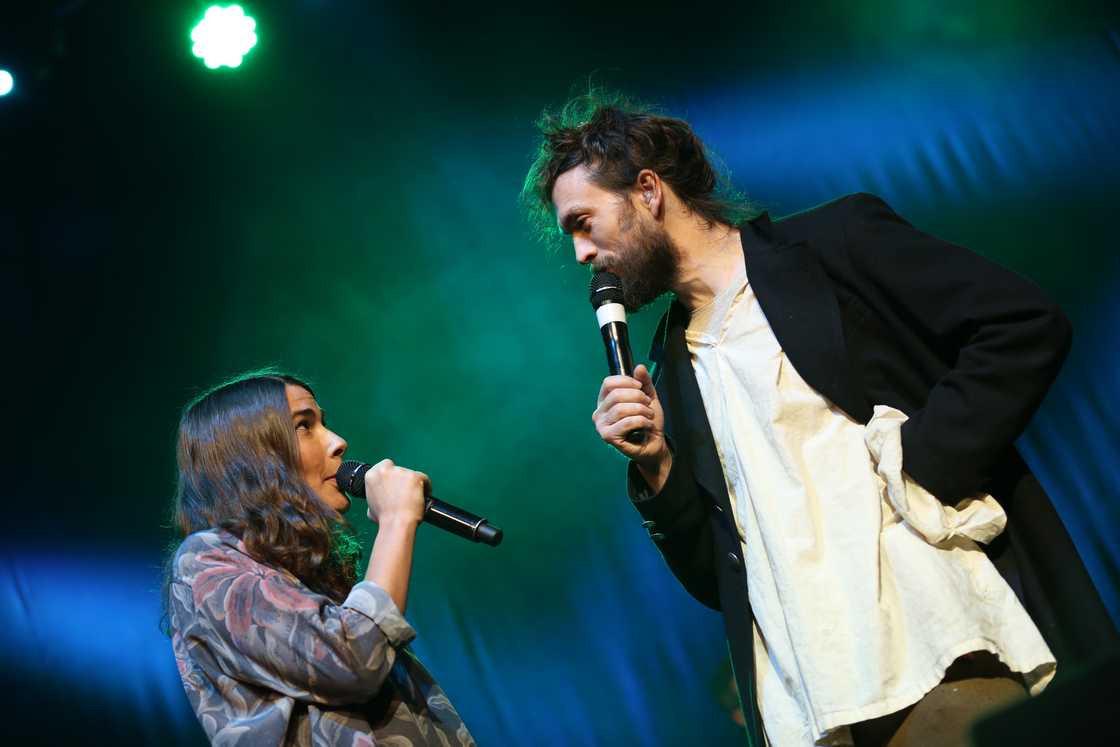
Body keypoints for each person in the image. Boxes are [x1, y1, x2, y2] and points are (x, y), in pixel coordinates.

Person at [522, 91, 1118, 746]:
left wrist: (921, 460)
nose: (580, 252)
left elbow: (1022, 325)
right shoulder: (672, 370)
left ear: (648, 190)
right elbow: (717, 577)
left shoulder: (832, 245)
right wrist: (657, 465)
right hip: (815, 710)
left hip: (934, 653)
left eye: (583, 221)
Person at [163, 371, 474, 746]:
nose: (339, 442)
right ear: (251, 459)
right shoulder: (206, 562)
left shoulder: (313, 576)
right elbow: (354, 660)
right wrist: (396, 520)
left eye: (323, 423)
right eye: (304, 426)